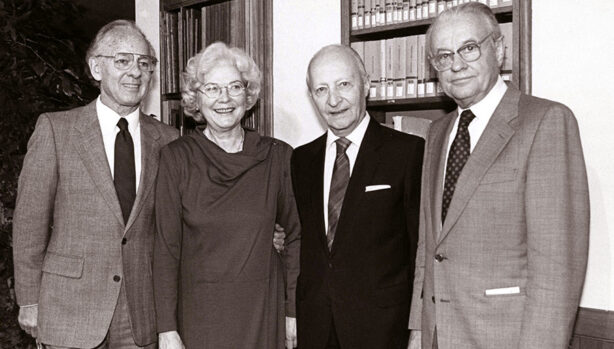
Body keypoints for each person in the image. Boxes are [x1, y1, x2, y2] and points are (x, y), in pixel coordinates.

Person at [407, 3, 590, 349]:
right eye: (443, 56)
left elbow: (556, 270)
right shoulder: (437, 132)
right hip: (438, 336)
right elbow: (429, 245)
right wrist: (419, 331)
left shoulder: (545, 122)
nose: (456, 64)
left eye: (469, 48)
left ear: (499, 48)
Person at [12, 20, 179, 348]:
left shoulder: (168, 140)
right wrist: (29, 301)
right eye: (123, 60)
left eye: (144, 63)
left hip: (140, 315)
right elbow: (29, 223)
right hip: (68, 310)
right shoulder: (57, 130)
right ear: (96, 67)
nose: (135, 71)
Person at [153, 42, 300, 349]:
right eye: (212, 88)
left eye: (234, 87)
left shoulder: (278, 157)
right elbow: (166, 248)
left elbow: (297, 237)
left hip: (262, 312)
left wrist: (292, 310)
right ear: (195, 99)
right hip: (199, 317)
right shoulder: (175, 158)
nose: (224, 98)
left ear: (248, 96)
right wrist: (166, 328)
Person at [291, 44, 424, 349]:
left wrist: (417, 329)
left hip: (383, 329)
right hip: (316, 327)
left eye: (344, 84)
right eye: (321, 89)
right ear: (311, 96)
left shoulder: (407, 153)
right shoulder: (301, 160)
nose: (333, 100)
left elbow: (421, 249)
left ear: (366, 84)